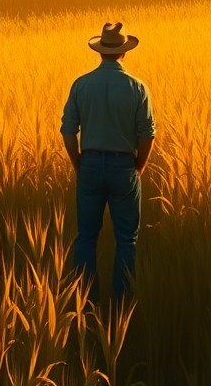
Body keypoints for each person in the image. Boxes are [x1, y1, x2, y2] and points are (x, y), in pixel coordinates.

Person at [60, 22, 156, 306]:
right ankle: (121, 307)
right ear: (124, 53)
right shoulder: (137, 87)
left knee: (86, 236)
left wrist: (79, 163)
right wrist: (138, 168)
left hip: (89, 164)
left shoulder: (81, 84)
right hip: (124, 167)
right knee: (126, 239)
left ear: (100, 52)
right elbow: (147, 134)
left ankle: (86, 304)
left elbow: (67, 131)